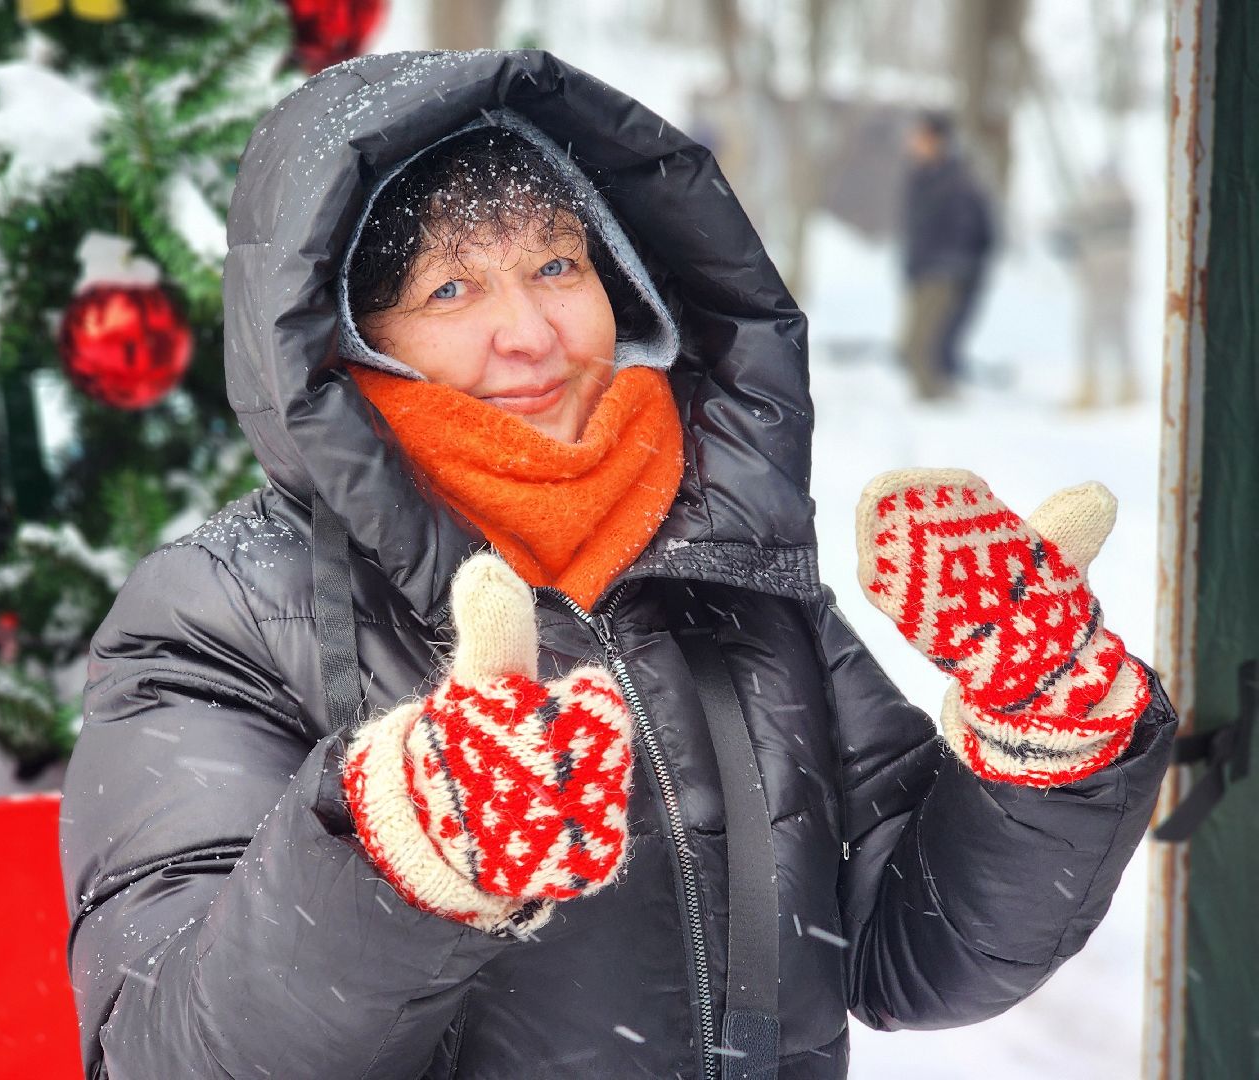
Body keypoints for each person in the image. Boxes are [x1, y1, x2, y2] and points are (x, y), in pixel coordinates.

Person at [61, 52, 1177, 1079]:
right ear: (342, 337)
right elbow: (165, 1051)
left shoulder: (720, 564)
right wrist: (401, 864)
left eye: (558, 262)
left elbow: (910, 953)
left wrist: (1046, 743)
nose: (533, 334)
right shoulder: (221, 615)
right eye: (449, 291)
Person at [898, 110, 996, 399]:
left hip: (943, 274)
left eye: (921, 137)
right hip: (922, 271)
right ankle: (932, 403)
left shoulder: (957, 180)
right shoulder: (922, 177)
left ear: (937, 141)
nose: (913, 143)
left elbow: (975, 231)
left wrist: (954, 268)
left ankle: (939, 404)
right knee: (912, 346)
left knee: (923, 345)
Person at [1052, 165, 1141, 409]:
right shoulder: (1126, 203)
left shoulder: (1093, 204)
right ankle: (1128, 384)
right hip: (1120, 277)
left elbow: (1065, 228)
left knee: (1090, 332)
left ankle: (1090, 388)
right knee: (1120, 331)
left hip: (1098, 276)